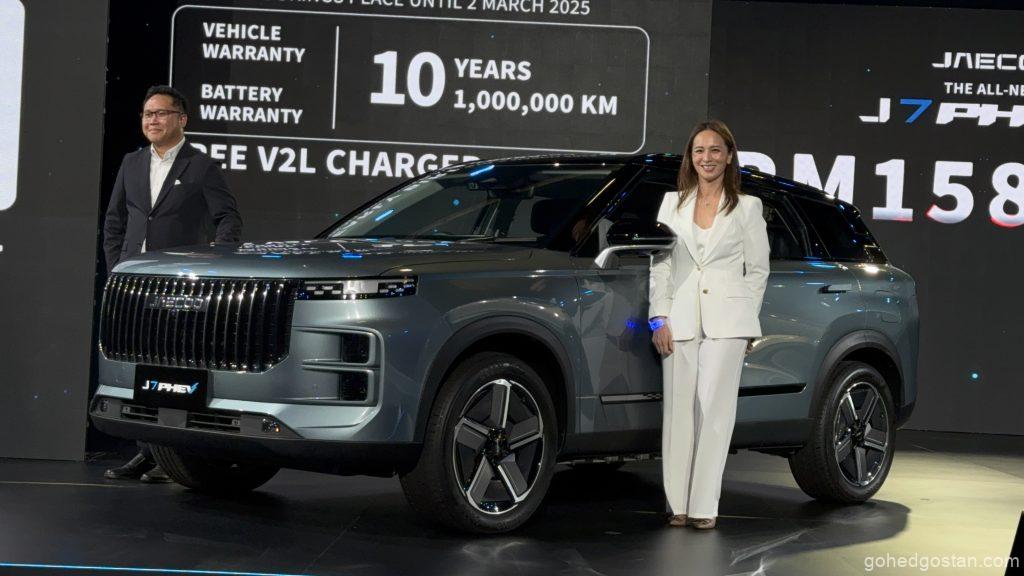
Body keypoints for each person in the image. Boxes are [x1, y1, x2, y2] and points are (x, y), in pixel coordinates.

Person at [102, 85, 242, 482]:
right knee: (137, 368)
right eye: (147, 114)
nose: (152, 120)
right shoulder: (131, 162)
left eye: (161, 113)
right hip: (134, 286)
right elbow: (114, 222)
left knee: (174, 374)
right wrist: (117, 269)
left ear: (181, 119)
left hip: (179, 287)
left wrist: (215, 267)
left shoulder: (201, 166)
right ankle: (147, 452)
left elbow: (228, 219)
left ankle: (172, 457)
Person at [648, 120, 769, 529]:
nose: (707, 158)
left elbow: (758, 270)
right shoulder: (671, 204)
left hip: (728, 321)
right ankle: (677, 504)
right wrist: (658, 317)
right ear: (691, 157)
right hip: (679, 319)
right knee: (677, 413)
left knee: (715, 412)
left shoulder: (747, 207)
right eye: (699, 150)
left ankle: (703, 507)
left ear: (729, 156)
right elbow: (660, 265)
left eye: (715, 150)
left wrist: (747, 319)